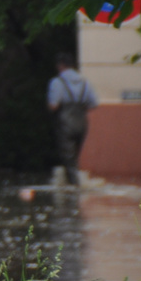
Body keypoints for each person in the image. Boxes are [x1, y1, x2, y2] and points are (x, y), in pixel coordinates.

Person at [47, 52, 97, 186]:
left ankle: (75, 188)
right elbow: (94, 104)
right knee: (75, 156)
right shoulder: (85, 82)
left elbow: (53, 105)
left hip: (65, 122)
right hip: (82, 123)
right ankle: (74, 183)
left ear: (60, 66)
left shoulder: (57, 82)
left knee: (68, 157)